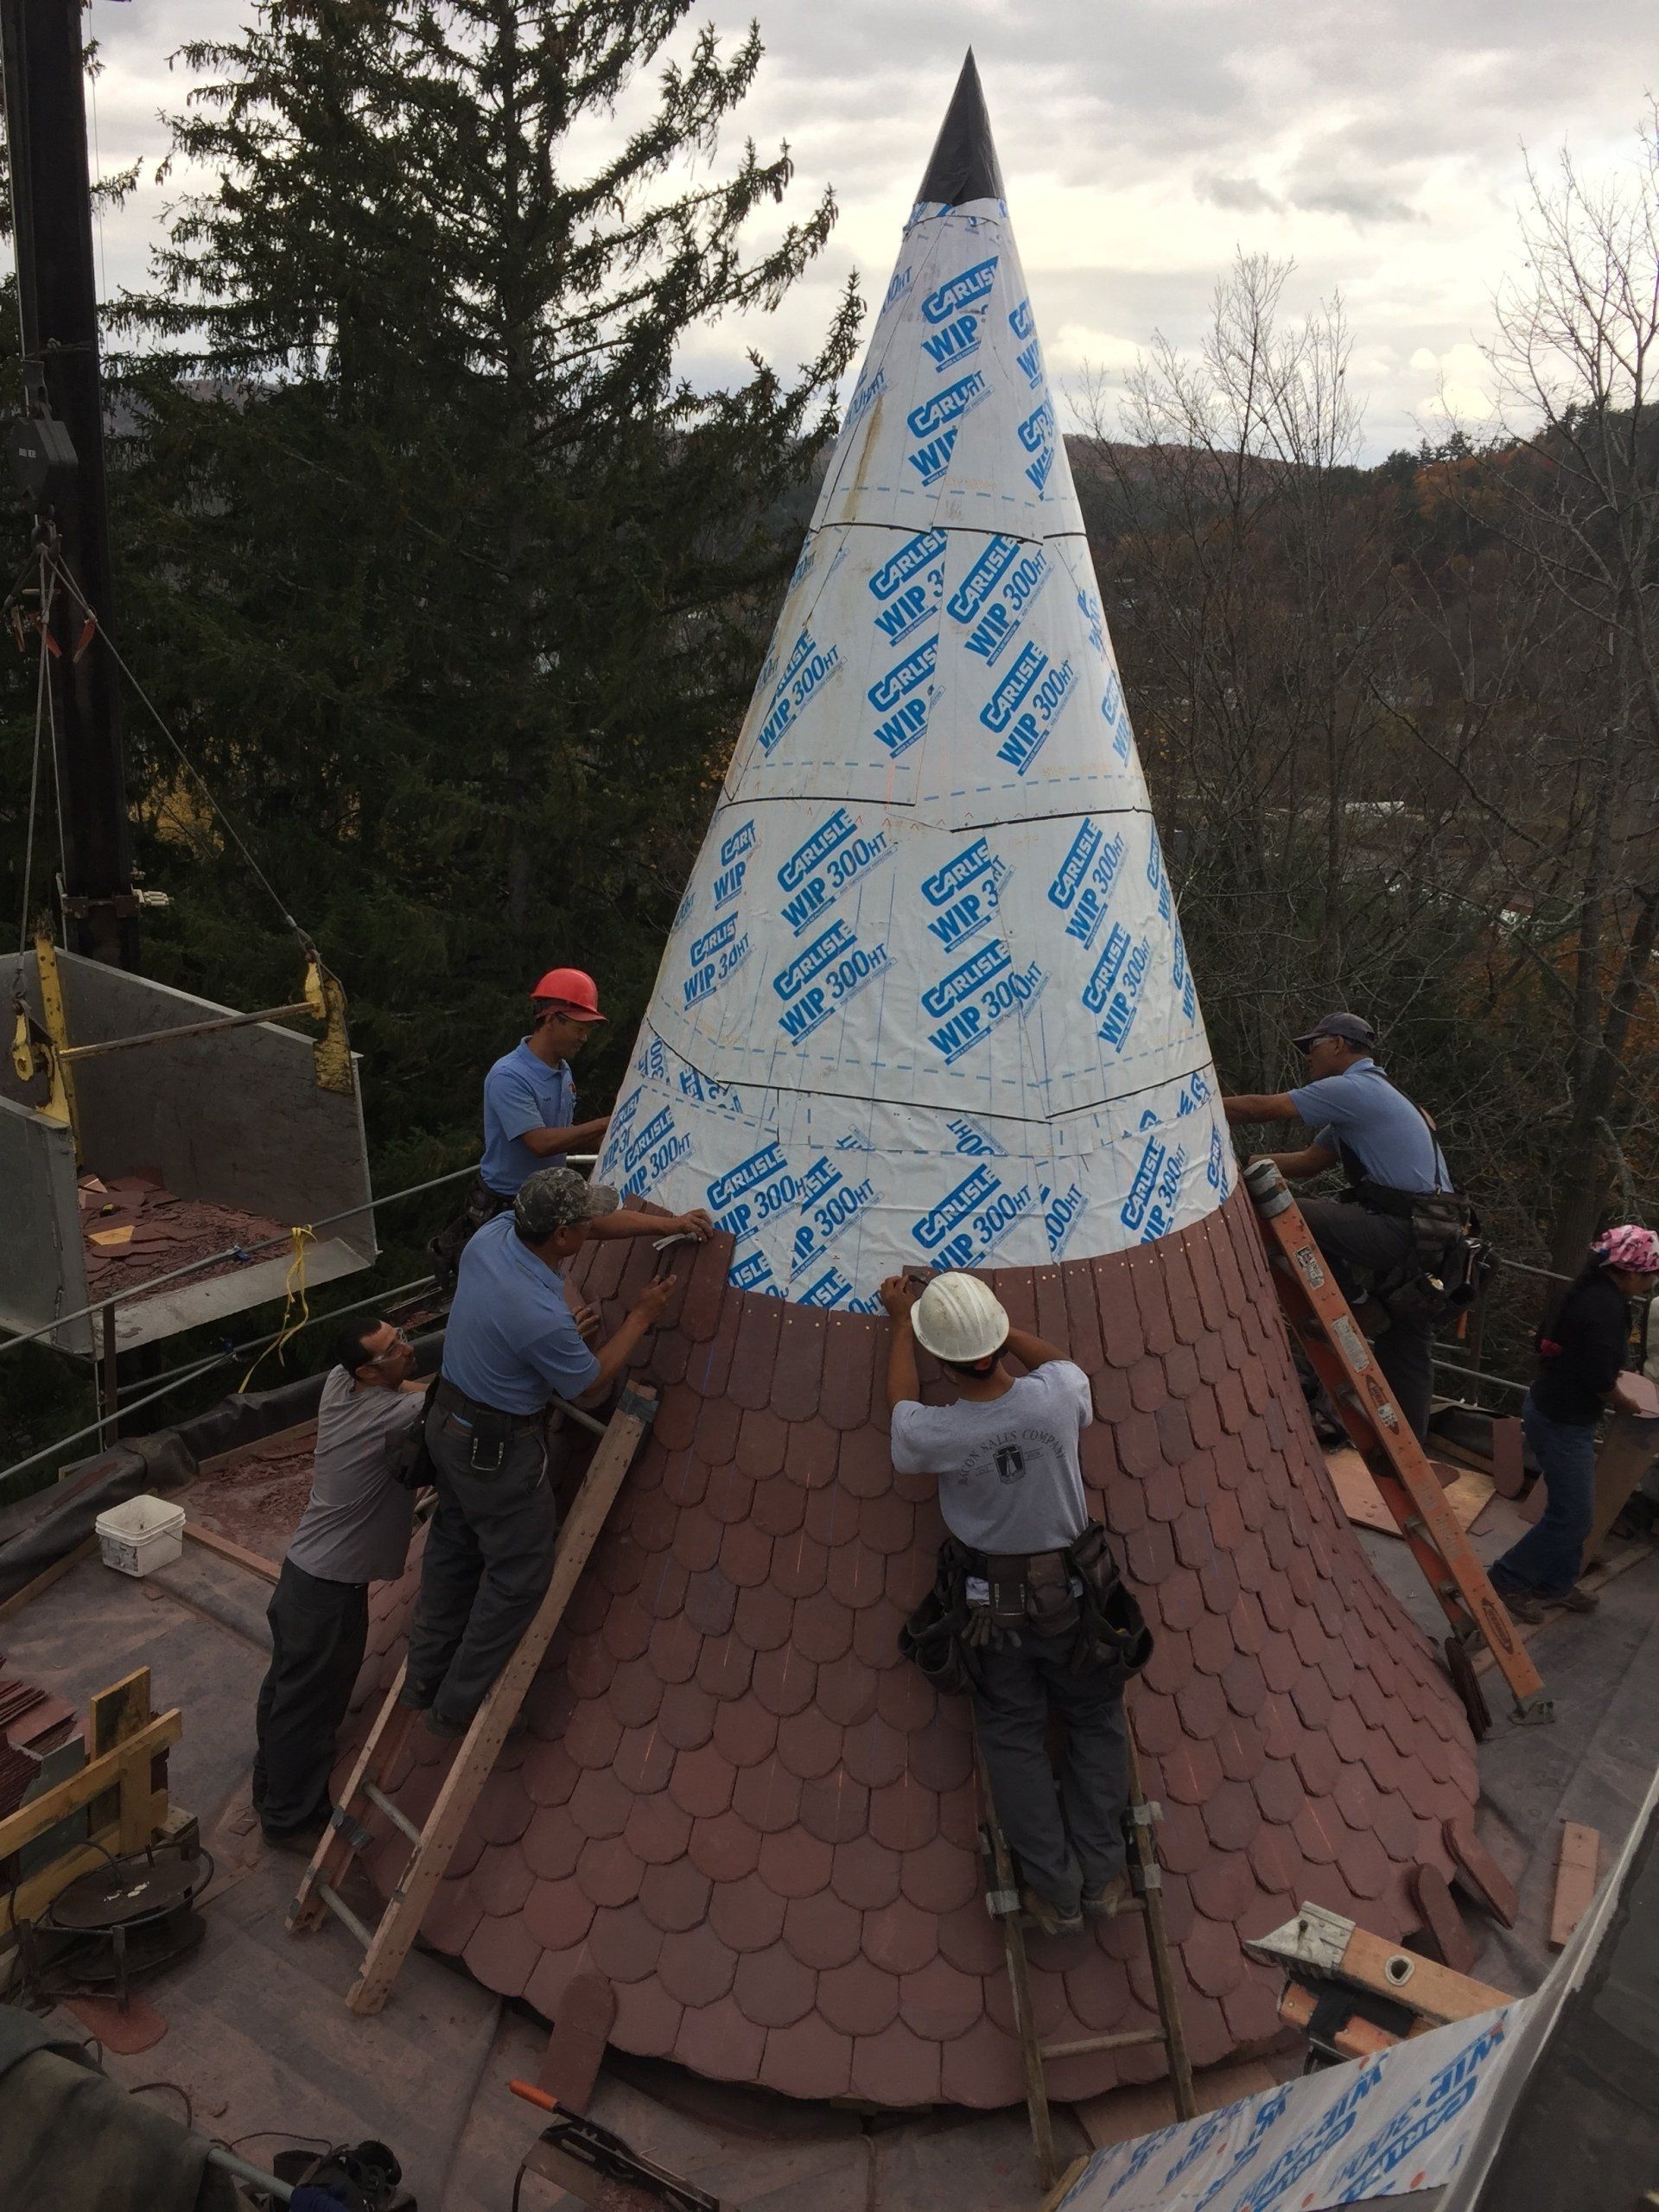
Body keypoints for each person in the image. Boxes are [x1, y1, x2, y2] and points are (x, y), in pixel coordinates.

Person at [880, 1271, 1144, 1939]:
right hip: (1073, 1601)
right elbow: (1057, 1361)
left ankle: (1054, 1893)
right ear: (998, 1344)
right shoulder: (1055, 1401)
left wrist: (900, 1323)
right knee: (1094, 1719)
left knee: (1014, 1737)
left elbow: (901, 1411)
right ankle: (1103, 1874)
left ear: (941, 1360)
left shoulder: (938, 1434)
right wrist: (992, 1321)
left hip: (988, 1612)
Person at [403, 1166, 679, 1737]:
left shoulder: (495, 1235)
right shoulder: (539, 1313)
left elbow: (594, 1227)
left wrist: (669, 1222)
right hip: (493, 1450)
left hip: (447, 1421)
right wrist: (641, 1317)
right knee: (519, 1576)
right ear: (560, 1236)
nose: (590, 1225)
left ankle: (424, 1677)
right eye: (581, 1221)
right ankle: (455, 1707)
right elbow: (587, 1383)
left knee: (453, 1546)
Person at [1221, 1011, 1460, 1441]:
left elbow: (1267, 1108)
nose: (1307, 1057)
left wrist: (1192, 1109)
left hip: (1403, 1229)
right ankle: (1409, 1449)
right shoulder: (1370, 1102)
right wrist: (1244, 1167)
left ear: (1337, 1044)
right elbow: (1309, 1163)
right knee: (1405, 1343)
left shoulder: (1355, 1090)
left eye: (1312, 1046)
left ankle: (1355, 1299)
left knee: (1293, 1217)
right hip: (1433, 1239)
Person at [252, 1316, 427, 1851]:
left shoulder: (339, 1384)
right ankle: (291, 1820)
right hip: (328, 1593)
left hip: (303, 1579)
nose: (407, 1347)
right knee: (312, 1709)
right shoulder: (391, 1415)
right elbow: (457, 1398)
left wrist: (406, 1375)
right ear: (368, 1374)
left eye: (400, 1336)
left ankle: (270, 1783)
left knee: (287, 1690)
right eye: (393, 1348)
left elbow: (417, 1389)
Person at [432, 965, 709, 1286]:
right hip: (509, 1208)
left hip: (546, 1196)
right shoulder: (509, 1076)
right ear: (551, 1020)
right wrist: (613, 1120)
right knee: (522, 1287)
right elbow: (541, 1143)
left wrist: (623, 1139)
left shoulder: (562, 1071)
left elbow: (564, 1135)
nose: (585, 1037)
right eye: (579, 1027)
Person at [1489, 1225, 1659, 1621]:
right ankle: (1507, 1578)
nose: (1651, 1283)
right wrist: (1629, 1405)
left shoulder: (1592, 1292)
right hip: (1562, 1422)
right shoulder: (1603, 1310)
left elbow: (1563, 1351)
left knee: (1574, 1510)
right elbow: (1600, 1381)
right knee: (1572, 1515)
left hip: (1554, 1407)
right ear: (1630, 1272)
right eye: (1650, 1275)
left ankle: (1556, 1585)